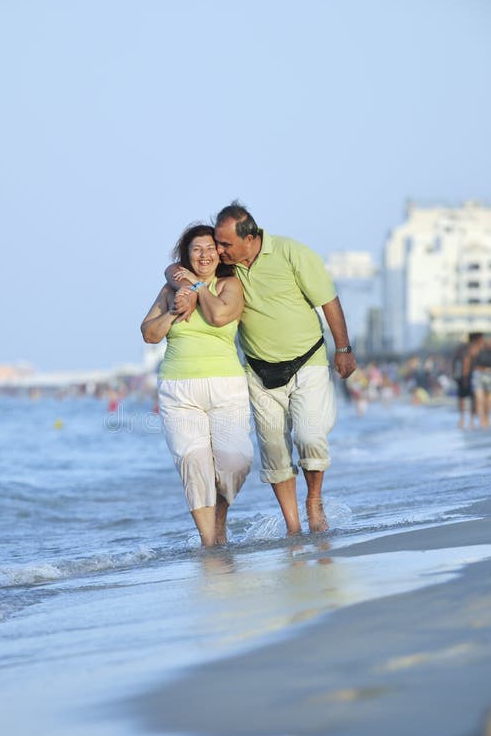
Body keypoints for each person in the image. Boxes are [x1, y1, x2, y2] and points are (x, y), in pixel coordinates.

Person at [167, 202, 356, 535]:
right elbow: (175, 270)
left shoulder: (291, 253)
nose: (219, 251)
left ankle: (313, 500)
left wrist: (343, 348)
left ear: (250, 237)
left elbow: (328, 299)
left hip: (307, 360)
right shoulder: (228, 269)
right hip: (259, 371)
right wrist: (189, 279)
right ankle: (294, 526)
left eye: (225, 244)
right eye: (217, 244)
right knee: (275, 453)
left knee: (311, 436)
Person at [141, 223, 253, 547]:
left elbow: (220, 316)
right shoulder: (170, 291)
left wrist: (197, 288)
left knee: (236, 461)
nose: (203, 254)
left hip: (227, 386)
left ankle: (219, 522)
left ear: (219, 254)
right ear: (186, 256)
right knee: (193, 462)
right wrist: (176, 311)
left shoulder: (229, 285)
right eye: (196, 250)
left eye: (209, 248)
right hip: (179, 388)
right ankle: (210, 545)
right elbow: (149, 334)